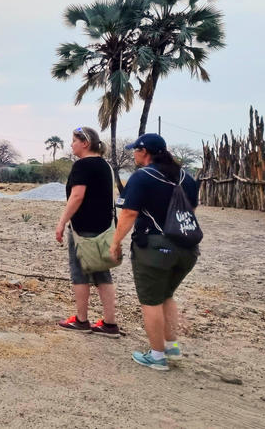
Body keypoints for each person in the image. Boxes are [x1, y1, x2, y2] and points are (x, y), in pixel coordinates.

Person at [110, 133, 199, 371]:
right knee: (167, 295)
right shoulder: (187, 178)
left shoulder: (142, 177)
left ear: (144, 152)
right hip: (187, 249)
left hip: (155, 248)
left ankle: (157, 356)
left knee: (150, 301)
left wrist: (115, 242)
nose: (133, 154)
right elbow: (190, 210)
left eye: (135, 150)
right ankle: (171, 347)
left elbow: (128, 214)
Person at [53, 127, 120, 337]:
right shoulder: (105, 166)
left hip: (84, 229)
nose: (71, 144)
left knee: (79, 273)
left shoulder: (82, 165)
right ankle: (109, 323)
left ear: (85, 143)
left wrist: (62, 222)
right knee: (102, 272)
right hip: (105, 227)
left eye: (74, 140)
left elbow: (77, 196)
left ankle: (81, 320)